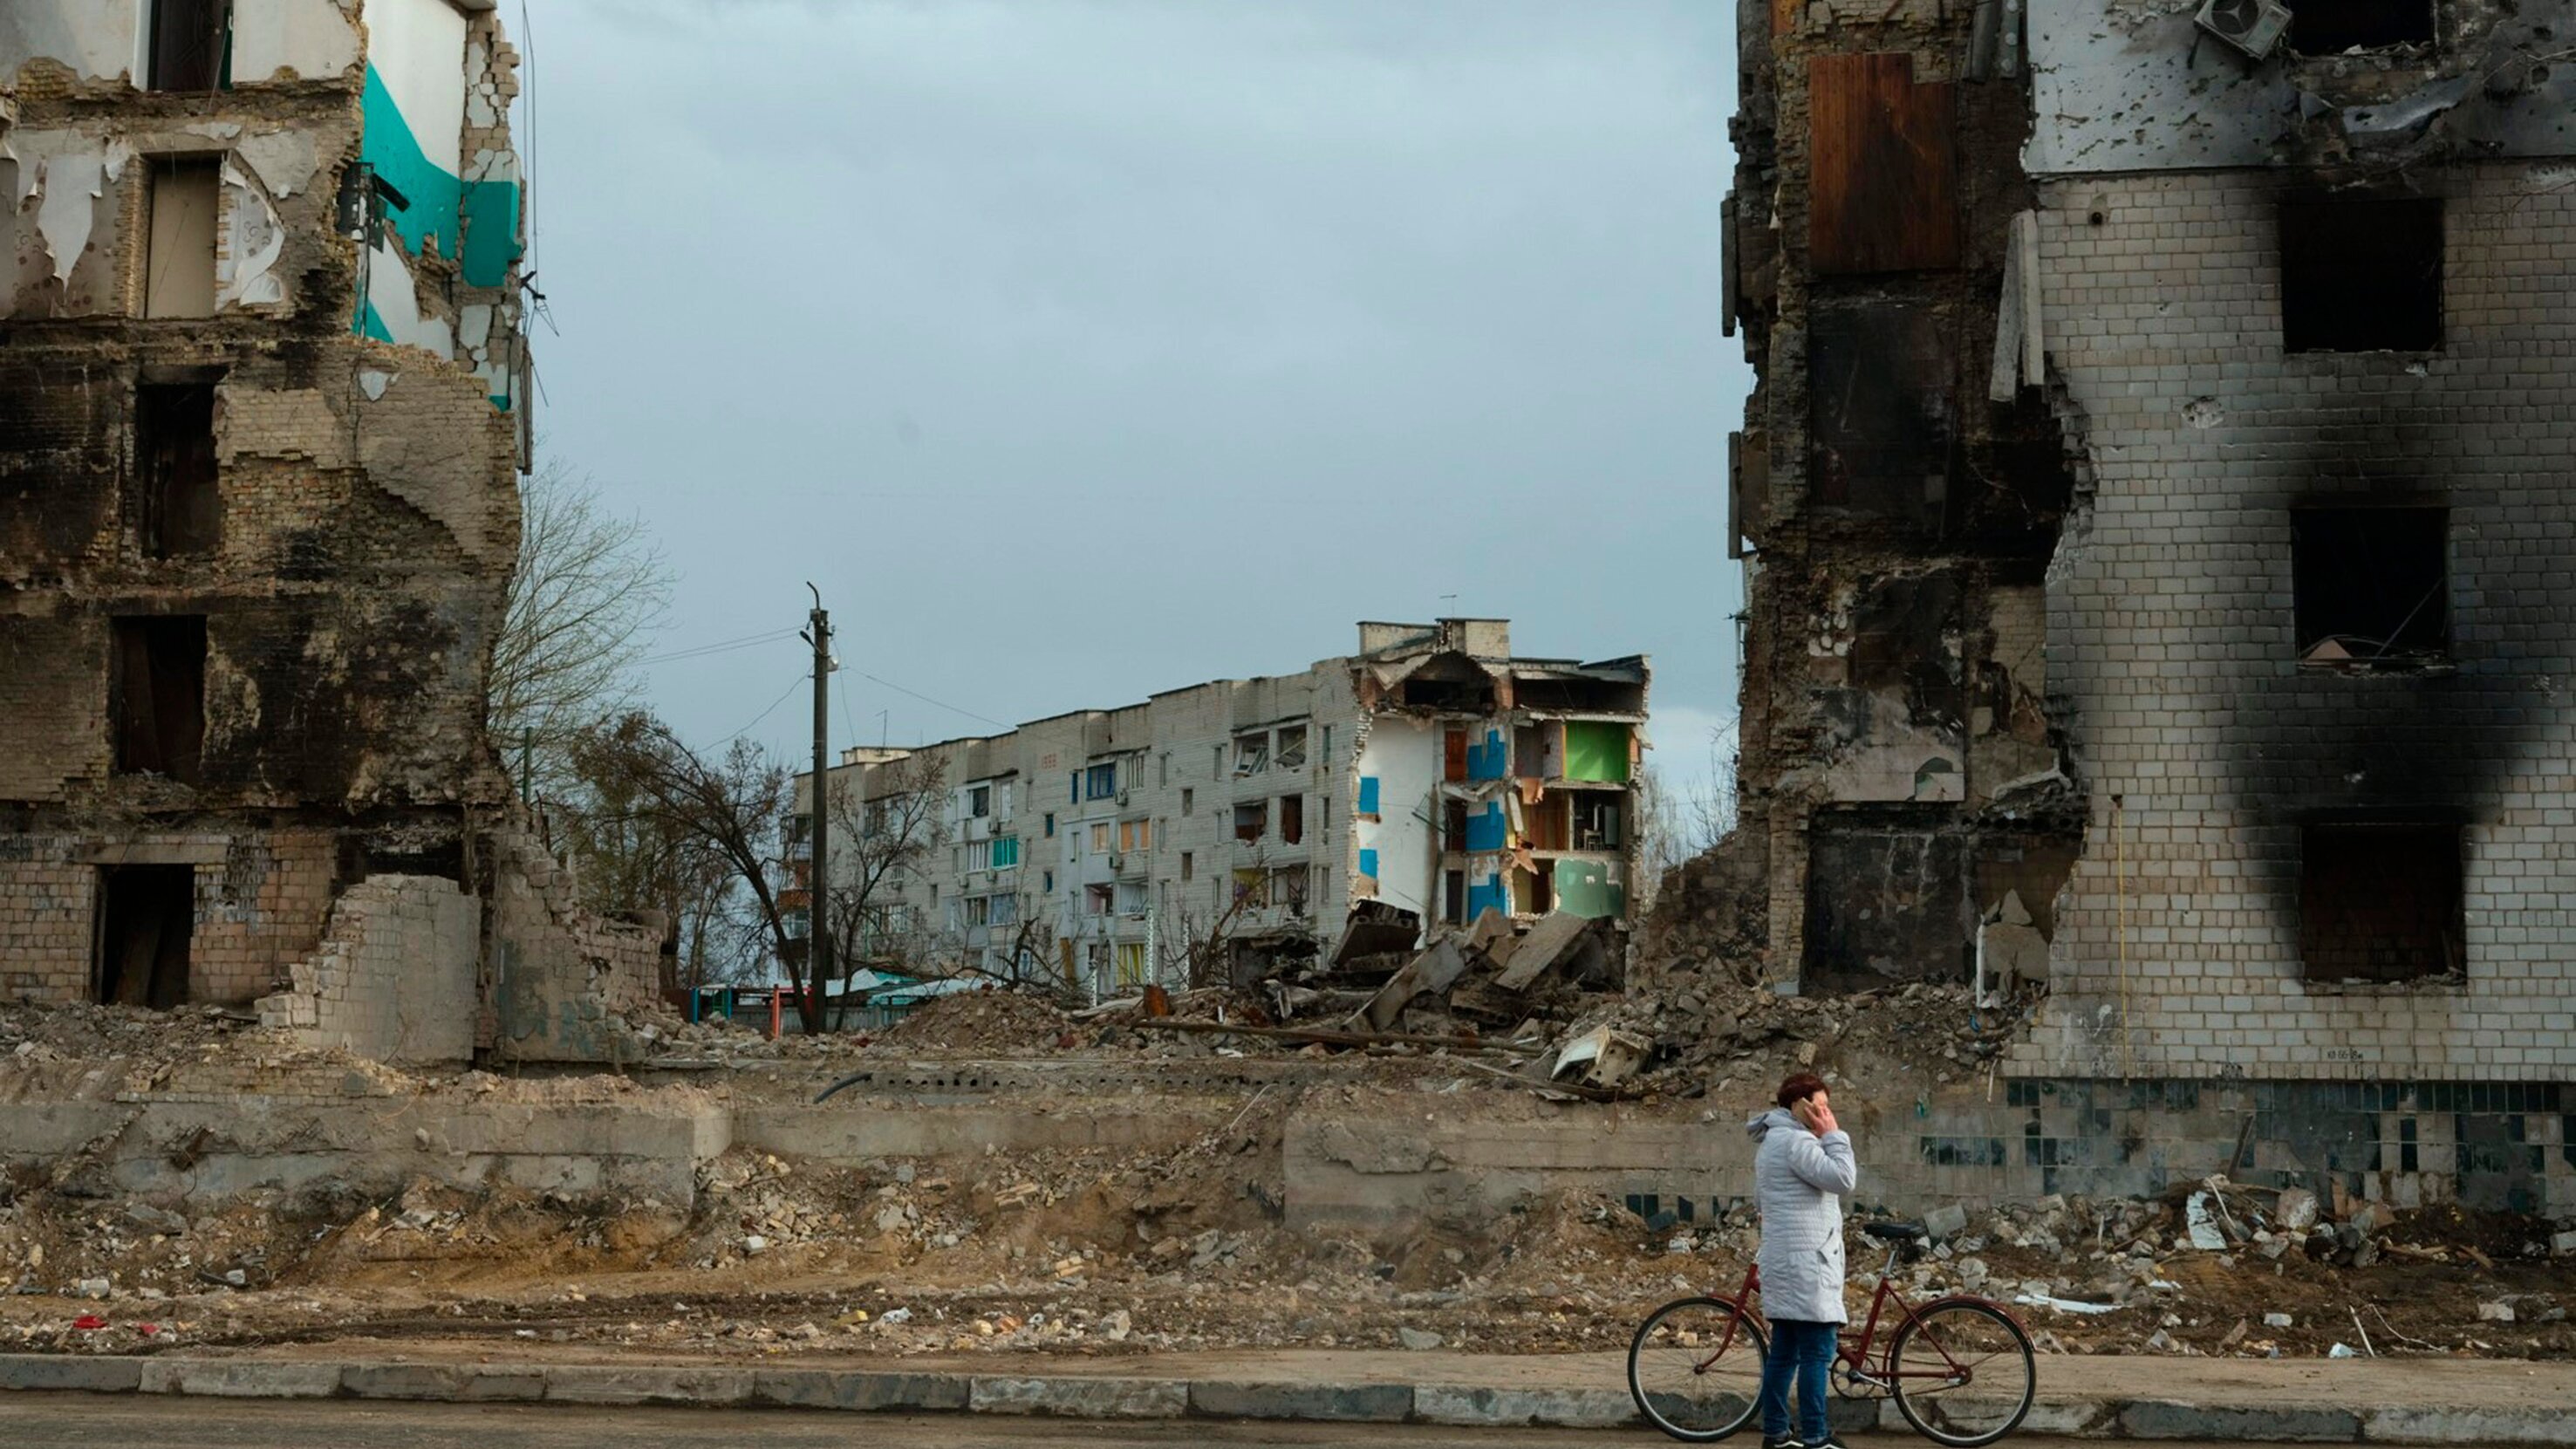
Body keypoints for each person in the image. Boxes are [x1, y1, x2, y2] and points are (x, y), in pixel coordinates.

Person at [1749, 1071, 1856, 1449]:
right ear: (1800, 1106)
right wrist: (1833, 1136)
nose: (1826, 1114)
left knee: (1783, 1355)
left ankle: (1776, 1434)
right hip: (1807, 1267)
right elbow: (1843, 1179)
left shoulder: (1772, 1142)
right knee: (1816, 1354)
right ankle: (1816, 1436)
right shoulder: (1797, 1142)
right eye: (1821, 1107)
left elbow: (1762, 1203)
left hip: (1784, 1263)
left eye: (1828, 1108)